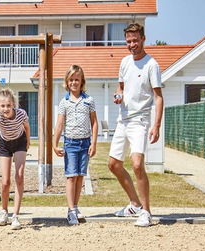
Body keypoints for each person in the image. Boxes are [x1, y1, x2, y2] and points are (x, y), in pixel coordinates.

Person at [108, 23, 164, 227]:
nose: (132, 44)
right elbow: (120, 86)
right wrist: (118, 94)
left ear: (143, 39)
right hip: (122, 119)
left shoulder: (152, 65)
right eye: (128, 41)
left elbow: (158, 98)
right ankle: (134, 203)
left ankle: (146, 212)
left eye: (135, 40)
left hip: (140, 121)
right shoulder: (124, 62)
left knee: (138, 165)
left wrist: (156, 126)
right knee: (113, 165)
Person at [53, 65, 98, 225]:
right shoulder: (64, 102)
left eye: (77, 80)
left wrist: (93, 143)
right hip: (70, 143)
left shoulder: (89, 101)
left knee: (80, 176)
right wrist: (55, 144)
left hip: (85, 143)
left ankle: (75, 206)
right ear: (67, 82)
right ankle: (71, 210)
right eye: (71, 79)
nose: (74, 82)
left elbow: (94, 122)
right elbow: (59, 124)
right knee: (71, 176)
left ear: (82, 81)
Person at [0, 88, 30, 230]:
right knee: (5, 182)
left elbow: (27, 127)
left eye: (8, 105)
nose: (6, 109)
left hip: (20, 141)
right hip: (4, 143)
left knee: (19, 176)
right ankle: (4, 212)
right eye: (2, 106)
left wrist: (28, 142)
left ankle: (16, 215)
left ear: (13, 105)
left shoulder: (21, 114)